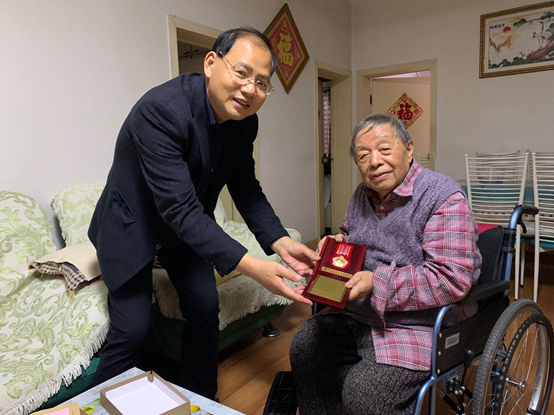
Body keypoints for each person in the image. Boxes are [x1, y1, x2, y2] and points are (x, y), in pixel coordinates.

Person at [88, 27, 318, 399]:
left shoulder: (245, 122)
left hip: (185, 229)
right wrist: (254, 267)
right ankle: (94, 405)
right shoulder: (161, 110)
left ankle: (201, 400)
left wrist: (279, 241)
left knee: (205, 305)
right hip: (132, 225)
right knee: (132, 330)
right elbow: (179, 208)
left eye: (262, 83)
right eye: (241, 73)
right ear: (211, 63)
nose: (249, 89)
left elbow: (245, 188)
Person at [290, 113, 482, 414]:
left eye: (384, 149)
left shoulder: (443, 197)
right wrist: (337, 246)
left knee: (365, 394)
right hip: (359, 313)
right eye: (363, 155)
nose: (374, 161)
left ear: (409, 149)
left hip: (417, 323)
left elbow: (451, 279)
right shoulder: (361, 195)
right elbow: (352, 236)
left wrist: (375, 282)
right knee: (305, 347)